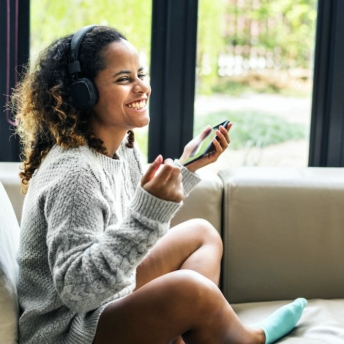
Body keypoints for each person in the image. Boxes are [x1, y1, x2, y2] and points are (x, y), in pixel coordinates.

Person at [12, 25, 307, 344]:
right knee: (191, 290)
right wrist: (148, 216)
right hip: (69, 331)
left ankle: (181, 333)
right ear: (84, 92)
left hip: (106, 301)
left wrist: (186, 167)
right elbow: (79, 292)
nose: (142, 87)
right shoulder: (75, 172)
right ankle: (250, 338)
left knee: (202, 233)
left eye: (141, 74)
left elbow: (129, 237)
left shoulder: (122, 148)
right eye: (124, 79)